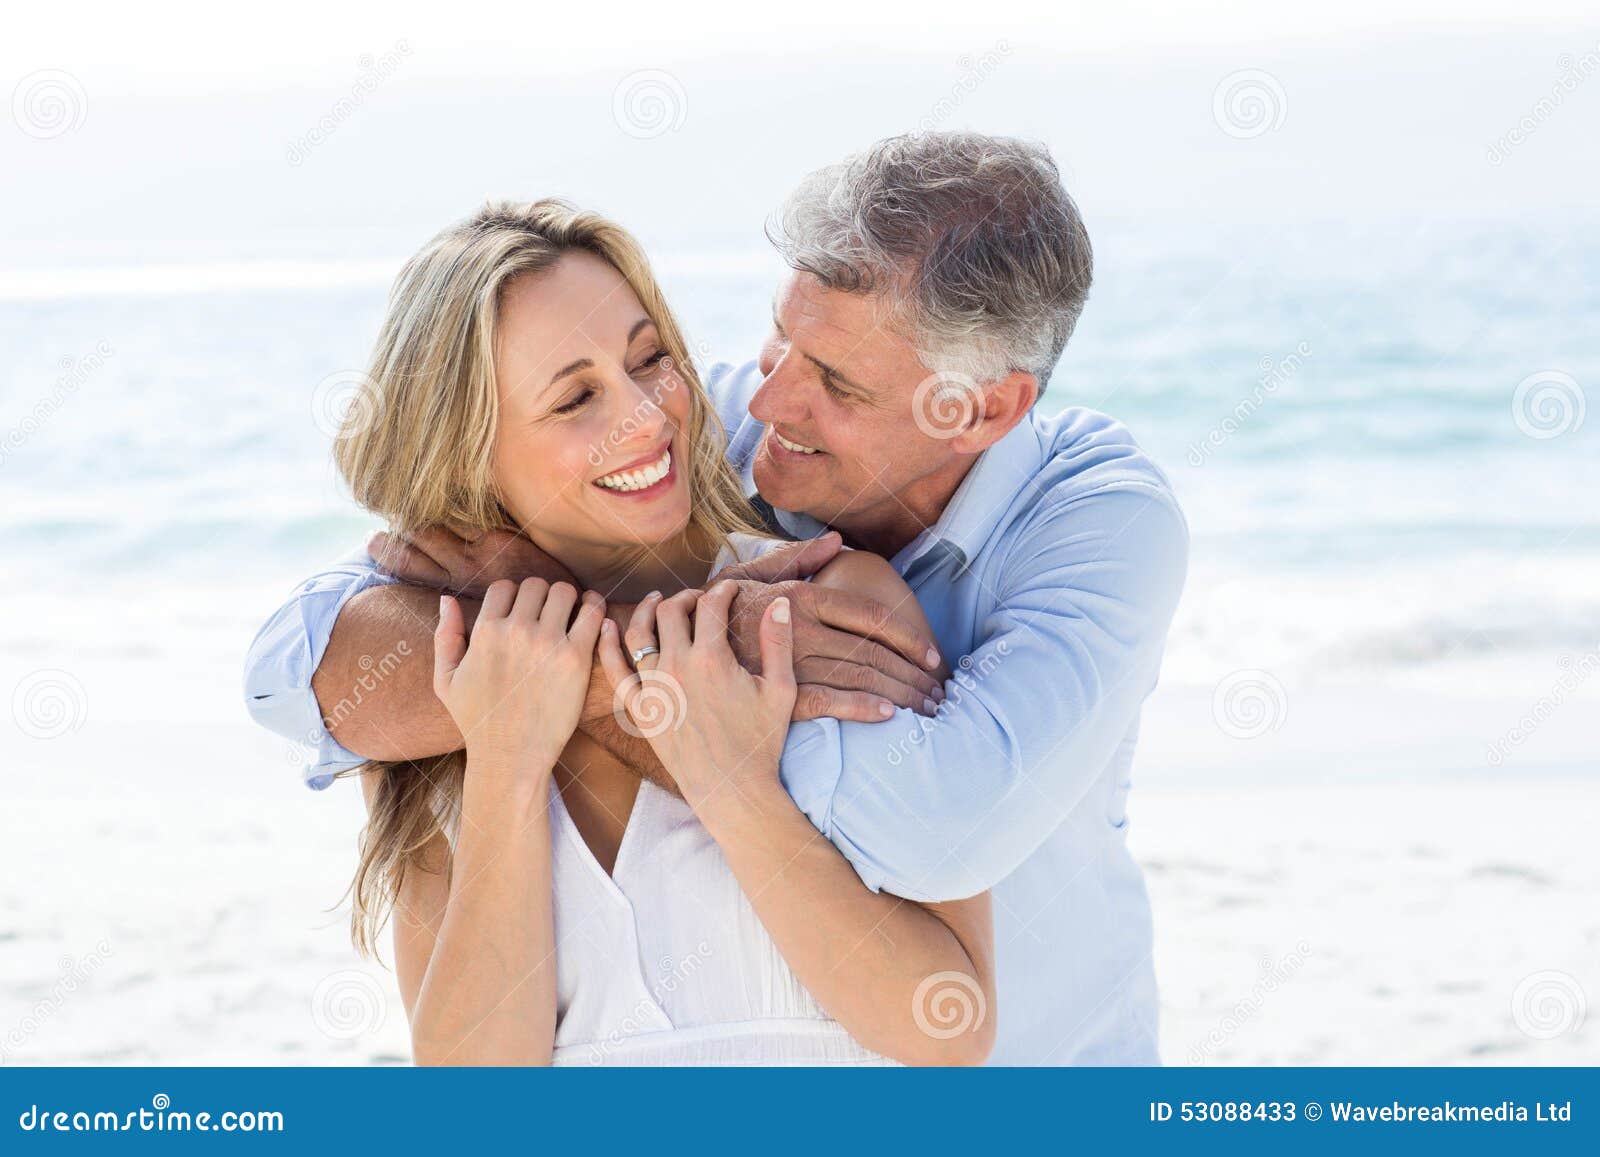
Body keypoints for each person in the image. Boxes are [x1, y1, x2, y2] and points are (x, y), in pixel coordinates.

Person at [246, 131, 1188, 1065]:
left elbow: (941, 975)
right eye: (575, 399)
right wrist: (518, 726)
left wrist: (632, 685)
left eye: (652, 357)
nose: (668, 410)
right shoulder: (457, 680)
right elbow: (288, 669)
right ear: (467, 448)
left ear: (980, 409)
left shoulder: (875, 589)